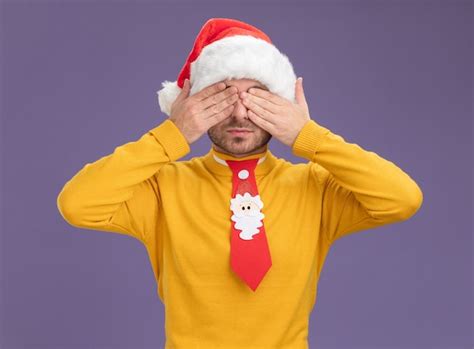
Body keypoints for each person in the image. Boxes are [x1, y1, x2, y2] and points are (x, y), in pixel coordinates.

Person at [57, 17, 423, 349]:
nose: (238, 113)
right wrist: (172, 136)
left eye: (257, 97)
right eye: (222, 96)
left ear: (280, 103)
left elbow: (402, 198)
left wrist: (310, 137)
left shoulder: (315, 187)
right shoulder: (163, 188)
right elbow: (77, 204)